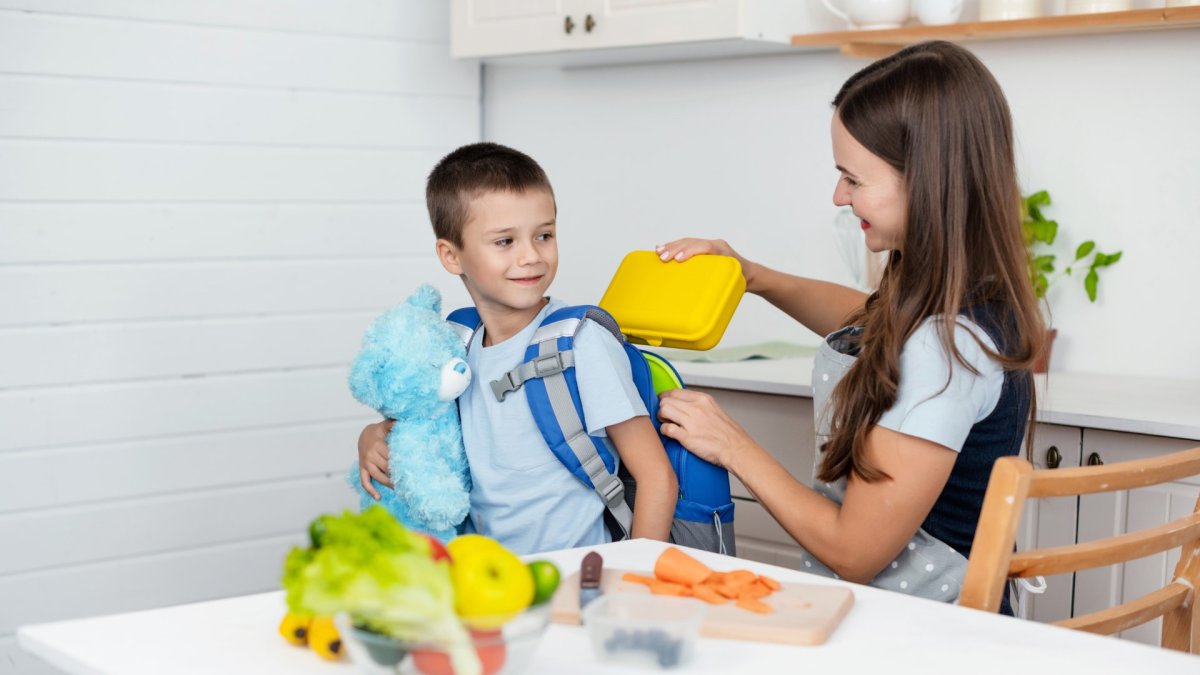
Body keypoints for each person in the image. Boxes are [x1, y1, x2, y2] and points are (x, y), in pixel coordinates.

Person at [654, 41, 1043, 613]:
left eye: (853, 178)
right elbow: (865, 320)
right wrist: (753, 276)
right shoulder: (969, 300)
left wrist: (731, 445)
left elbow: (855, 551)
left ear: (926, 180)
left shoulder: (946, 348)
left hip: (929, 637)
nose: (839, 195)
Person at [357, 142, 676, 555]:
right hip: (485, 577)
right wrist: (371, 437)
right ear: (452, 256)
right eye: (505, 241)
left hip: (578, 575)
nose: (531, 256)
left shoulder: (580, 342)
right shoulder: (453, 342)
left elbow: (656, 478)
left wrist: (634, 579)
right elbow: (417, 425)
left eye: (544, 235)